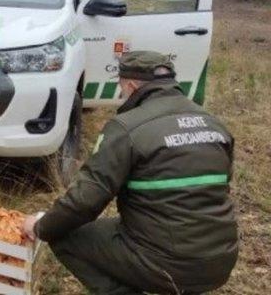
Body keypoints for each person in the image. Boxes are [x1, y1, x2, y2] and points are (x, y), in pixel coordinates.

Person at [23, 51, 238, 294]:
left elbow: (84, 202)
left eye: (121, 88)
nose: (120, 95)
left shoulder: (127, 128)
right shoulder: (214, 124)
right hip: (221, 260)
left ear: (132, 85)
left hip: (168, 265)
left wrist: (41, 226)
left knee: (64, 235)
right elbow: (218, 189)